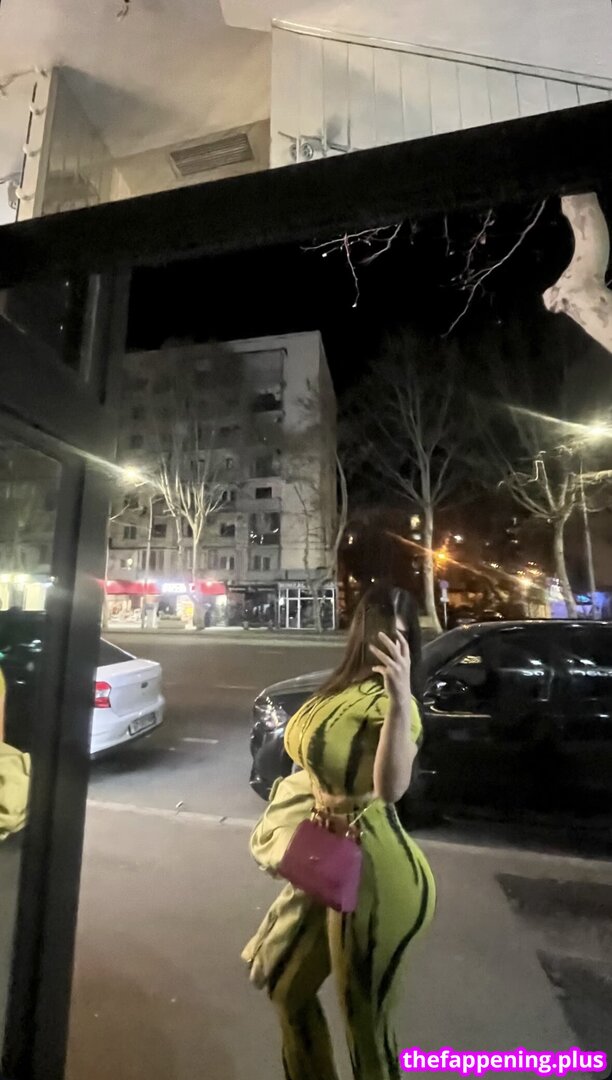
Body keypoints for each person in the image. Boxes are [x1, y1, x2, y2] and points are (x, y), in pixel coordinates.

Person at [247, 585, 435, 1080]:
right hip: (330, 858)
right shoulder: (337, 688)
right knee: (287, 988)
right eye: (381, 636)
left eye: (401, 638)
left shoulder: (397, 705)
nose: (389, 649)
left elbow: (391, 789)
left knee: (366, 1028)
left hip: (377, 871)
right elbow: (305, 764)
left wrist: (400, 698)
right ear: (361, 635)